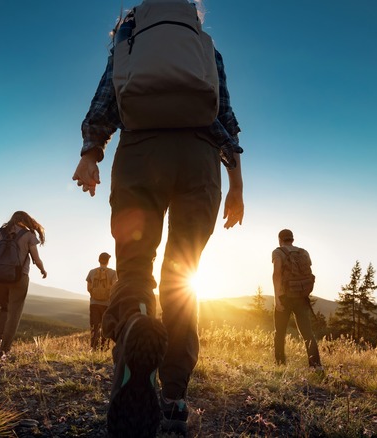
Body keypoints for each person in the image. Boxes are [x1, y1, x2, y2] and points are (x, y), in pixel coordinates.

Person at [72, 1, 244, 435]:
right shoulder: (205, 48)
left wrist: (91, 153)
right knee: (182, 275)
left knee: (133, 265)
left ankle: (133, 324)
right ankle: (173, 397)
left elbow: (105, 100)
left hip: (139, 155)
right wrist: (237, 187)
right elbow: (225, 117)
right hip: (199, 161)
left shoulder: (129, 42)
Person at [0, 211, 47, 358]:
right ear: (26, 220)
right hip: (19, 277)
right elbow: (36, 259)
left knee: (3, 308)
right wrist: (42, 270)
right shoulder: (29, 235)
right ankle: (4, 349)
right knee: (14, 312)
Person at [272, 229, 322, 368]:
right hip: (301, 296)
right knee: (307, 333)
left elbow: (276, 275)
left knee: (280, 332)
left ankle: (280, 366)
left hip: (284, 297)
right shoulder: (304, 252)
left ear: (280, 239)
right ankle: (316, 366)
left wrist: (277, 298)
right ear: (292, 239)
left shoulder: (278, 252)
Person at [86, 252, 118, 350]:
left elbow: (88, 288)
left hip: (94, 303)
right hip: (107, 304)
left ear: (99, 260)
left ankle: (94, 348)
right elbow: (114, 288)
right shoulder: (113, 273)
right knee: (106, 326)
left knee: (95, 326)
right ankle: (104, 348)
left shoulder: (91, 272)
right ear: (108, 261)